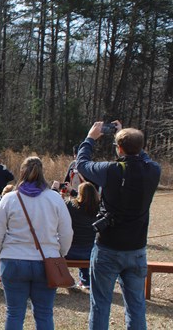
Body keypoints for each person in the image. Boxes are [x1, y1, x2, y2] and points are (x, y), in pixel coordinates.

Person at [75, 121, 161, 329]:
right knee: (136, 306)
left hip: (107, 248)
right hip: (136, 249)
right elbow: (142, 156)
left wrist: (90, 139)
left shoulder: (110, 170)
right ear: (141, 147)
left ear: (119, 148)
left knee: (100, 305)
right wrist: (128, 136)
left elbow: (82, 164)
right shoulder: (154, 170)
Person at [0, 156, 73, 330]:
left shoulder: (9, 199)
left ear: (21, 172)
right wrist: (61, 253)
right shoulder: (55, 198)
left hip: (13, 259)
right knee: (44, 313)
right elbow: (66, 232)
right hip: (47, 260)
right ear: (42, 172)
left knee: (14, 313)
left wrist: (0, 253)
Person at [64, 182, 99, 289]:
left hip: (69, 251)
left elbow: (74, 203)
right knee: (87, 242)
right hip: (90, 252)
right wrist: (72, 191)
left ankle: (66, 279)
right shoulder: (98, 208)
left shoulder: (71, 206)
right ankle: (85, 280)